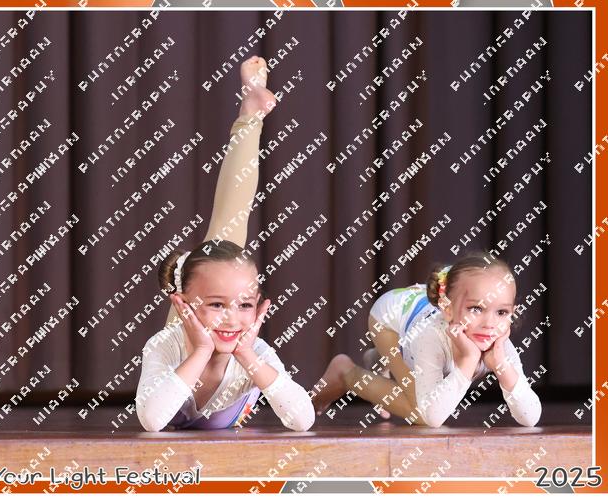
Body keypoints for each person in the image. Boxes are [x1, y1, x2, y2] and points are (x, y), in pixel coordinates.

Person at [135, 56, 315, 432]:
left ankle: (251, 114)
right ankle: (250, 115)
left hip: (233, 351)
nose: (232, 318)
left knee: (227, 244)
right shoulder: (167, 345)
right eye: (217, 305)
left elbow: (303, 420)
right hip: (189, 330)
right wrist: (201, 350)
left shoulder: (255, 351)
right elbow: (152, 421)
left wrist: (248, 356)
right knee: (226, 237)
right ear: (182, 305)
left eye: (246, 305)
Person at [312, 250, 542, 428]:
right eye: (476, 309)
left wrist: (503, 368)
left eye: (501, 312)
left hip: (419, 316)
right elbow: (432, 417)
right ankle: (346, 373)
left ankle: (381, 359)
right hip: (389, 319)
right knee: (419, 414)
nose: (490, 323)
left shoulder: (500, 345)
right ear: (448, 309)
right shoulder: (430, 337)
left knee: (419, 396)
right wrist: (468, 362)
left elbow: (531, 417)